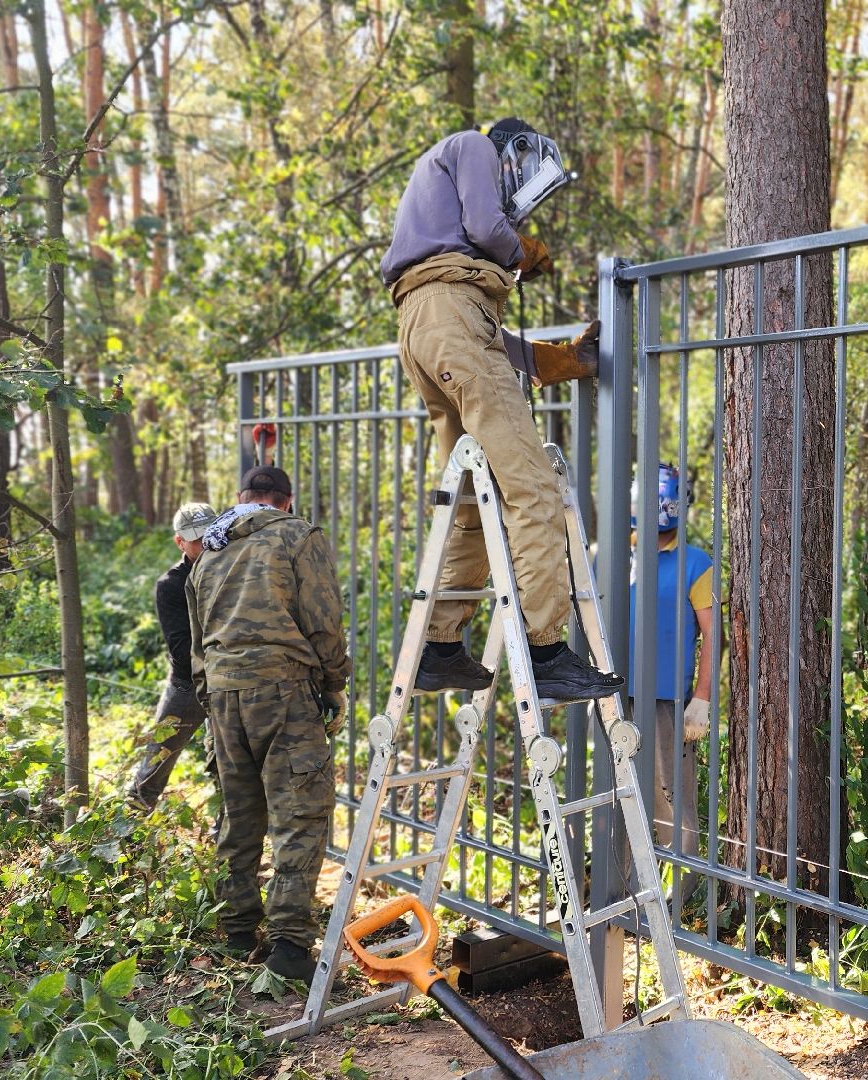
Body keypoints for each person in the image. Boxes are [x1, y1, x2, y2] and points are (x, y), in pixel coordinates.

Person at [382, 117, 621, 703]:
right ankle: (546, 653)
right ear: (515, 152)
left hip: (425, 331)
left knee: (473, 496)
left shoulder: (438, 270)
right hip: (452, 324)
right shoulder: (473, 146)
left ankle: (439, 648)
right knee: (533, 489)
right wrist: (521, 253)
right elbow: (488, 231)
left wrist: (556, 360)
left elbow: (476, 336)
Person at [187, 465, 351, 981]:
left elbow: (197, 638)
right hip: (283, 688)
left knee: (238, 811)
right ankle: (288, 946)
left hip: (222, 693)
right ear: (286, 500)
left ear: (242, 498)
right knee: (298, 813)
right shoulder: (297, 536)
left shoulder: (210, 549)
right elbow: (323, 620)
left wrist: (211, 695)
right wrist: (334, 683)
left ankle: (237, 931)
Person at [625, 463, 718, 858]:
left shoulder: (696, 563)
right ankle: (621, 886)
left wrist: (702, 698)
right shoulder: (613, 555)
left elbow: (714, 634)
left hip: (667, 701)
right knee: (618, 794)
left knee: (671, 800)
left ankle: (680, 884)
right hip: (614, 694)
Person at [128, 502, 217, 810]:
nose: (205, 545)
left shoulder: (232, 573)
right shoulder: (171, 585)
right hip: (187, 687)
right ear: (180, 542)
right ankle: (129, 828)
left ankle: (226, 834)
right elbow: (181, 650)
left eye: (210, 537)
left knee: (229, 768)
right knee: (152, 769)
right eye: (197, 540)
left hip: (230, 683)